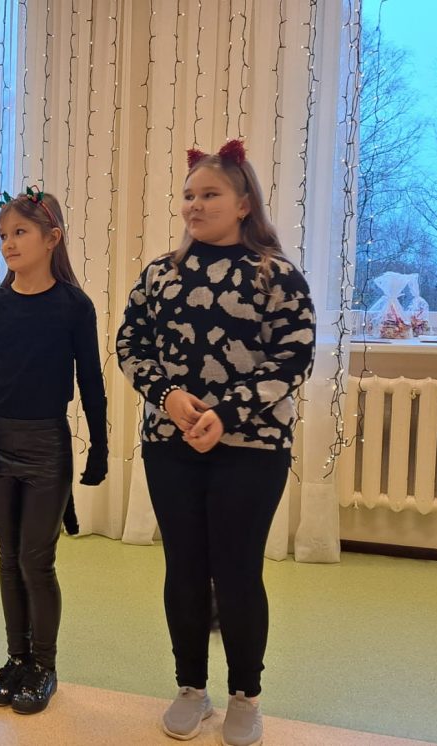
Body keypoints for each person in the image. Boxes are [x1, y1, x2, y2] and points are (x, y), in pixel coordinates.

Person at [117, 140, 315, 746]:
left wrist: (226, 414)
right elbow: (131, 345)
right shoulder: (161, 273)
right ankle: (190, 688)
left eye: (210, 195)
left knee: (236, 571)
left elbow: (294, 357)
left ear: (244, 203)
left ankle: (245, 696)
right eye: (188, 195)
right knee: (184, 567)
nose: (195, 205)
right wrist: (169, 397)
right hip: (170, 441)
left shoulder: (277, 275)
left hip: (253, 448)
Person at [0, 187, 108, 715]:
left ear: (52, 238)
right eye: (3, 234)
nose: (8, 243)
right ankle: (16, 658)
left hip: (47, 447)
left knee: (35, 560)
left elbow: (91, 382)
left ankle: (44, 665)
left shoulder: (74, 306)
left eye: (20, 232)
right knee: (7, 558)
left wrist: (100, 447)